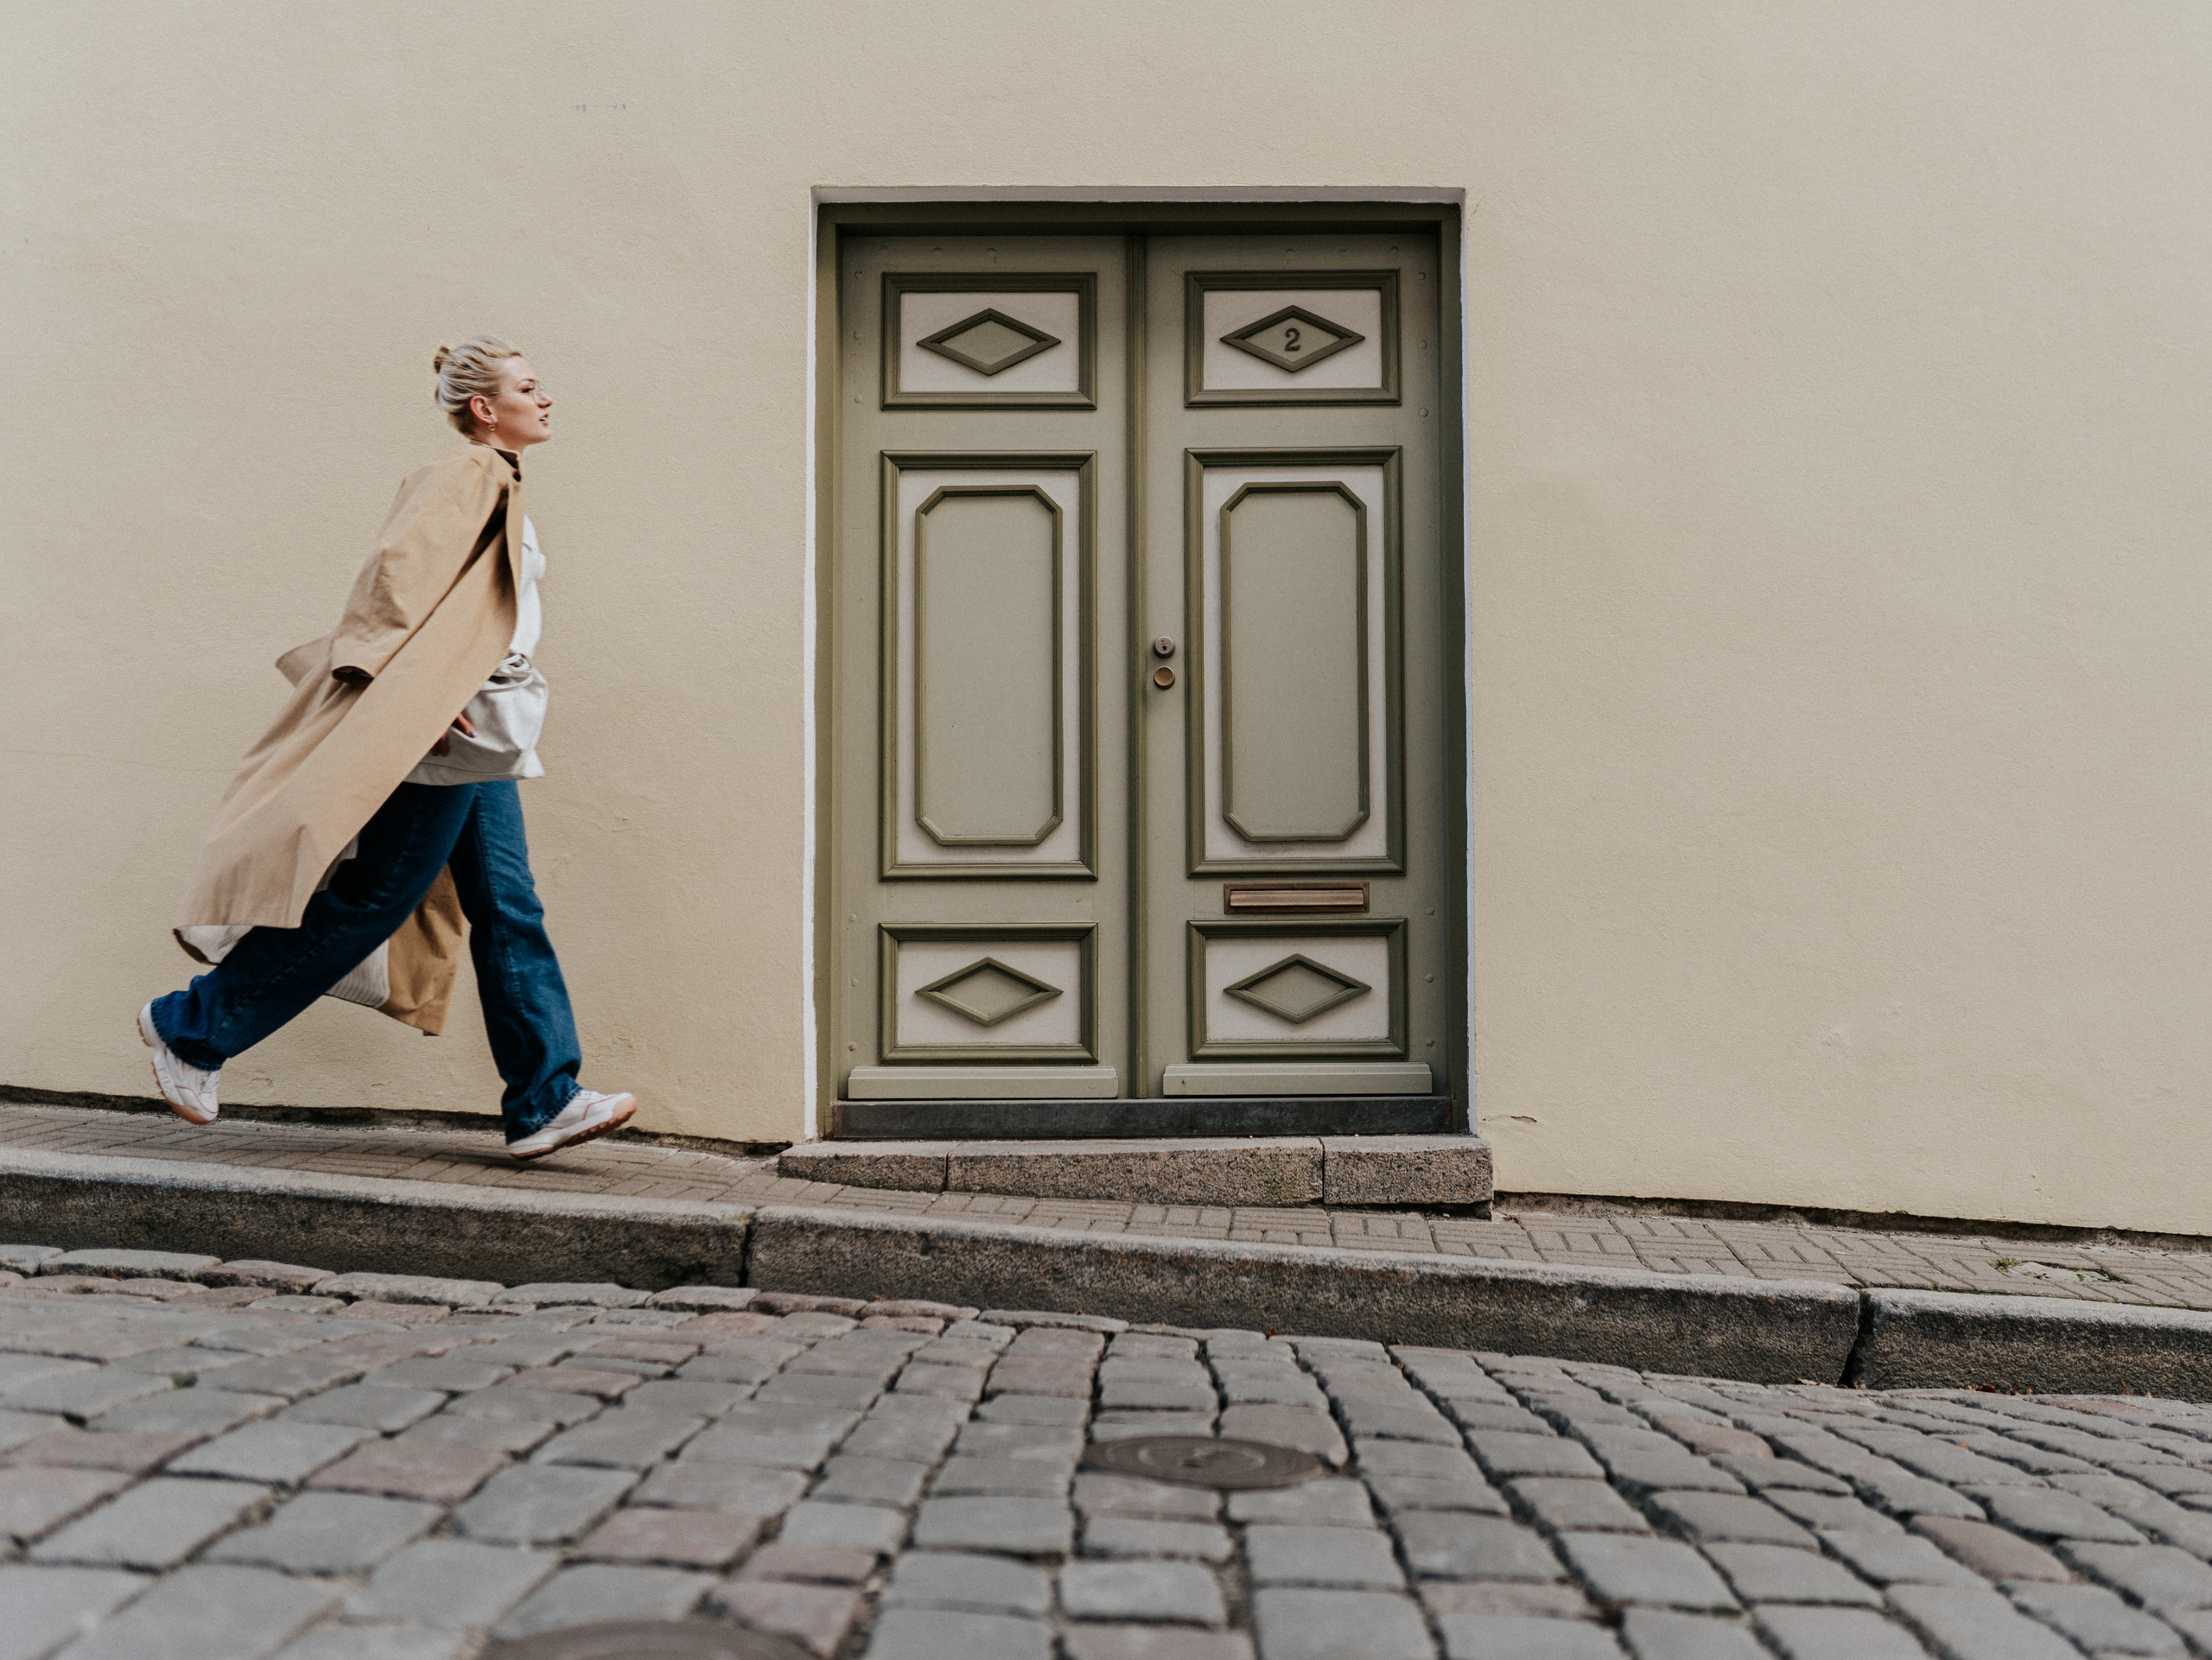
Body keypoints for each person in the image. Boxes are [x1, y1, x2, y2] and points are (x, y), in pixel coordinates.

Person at [138, 336, 636, 1160]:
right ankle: (192, 1027)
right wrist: (412, 697)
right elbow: (392, 577)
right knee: (377, 898)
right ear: (486, 407)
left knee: (510, 906)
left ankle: (546, 1097)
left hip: (479, 730)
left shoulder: (501, 479)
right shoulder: (463, 472)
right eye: (529, 387)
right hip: (444, 724)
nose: (546, 400)